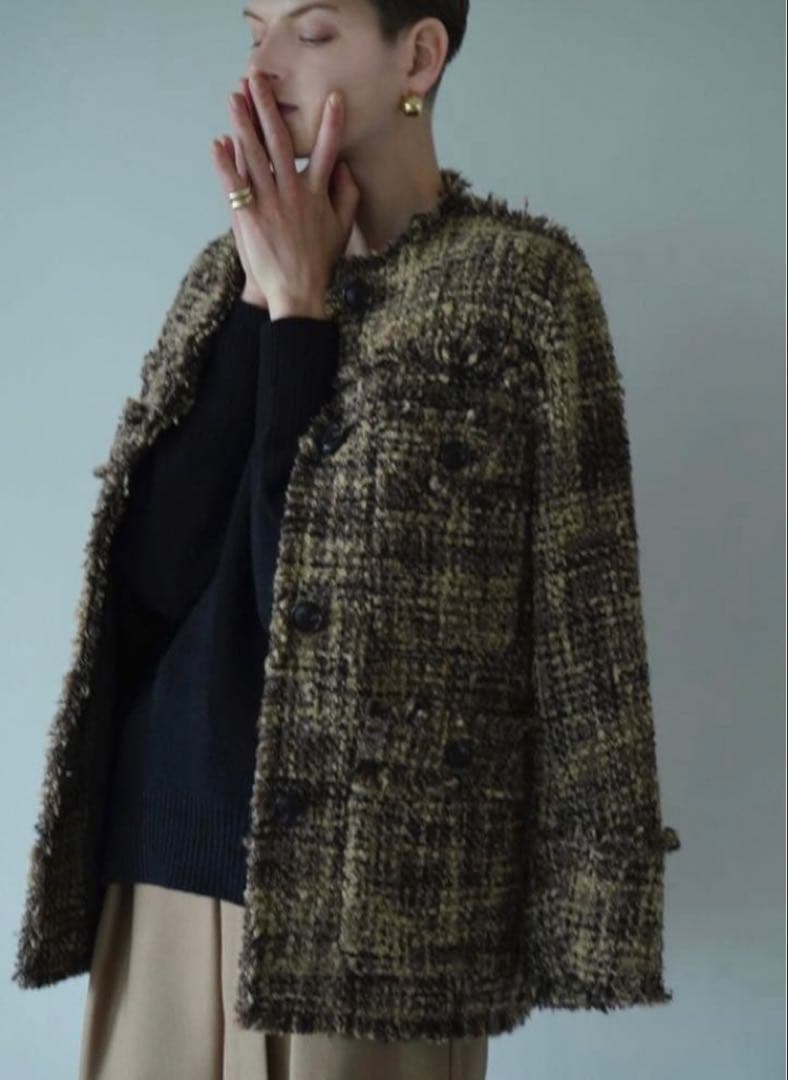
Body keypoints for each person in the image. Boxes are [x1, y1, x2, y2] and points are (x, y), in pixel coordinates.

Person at [78, 1, 491, 1077]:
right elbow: (155, 587)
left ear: (419, 55)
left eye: (308, 33)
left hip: (375, 892)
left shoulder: (505, 294)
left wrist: (304, 321)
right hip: (169, 857)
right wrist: (265, 305)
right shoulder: (224, 275)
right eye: (252, 27)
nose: (260, 68)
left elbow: (342, 621)